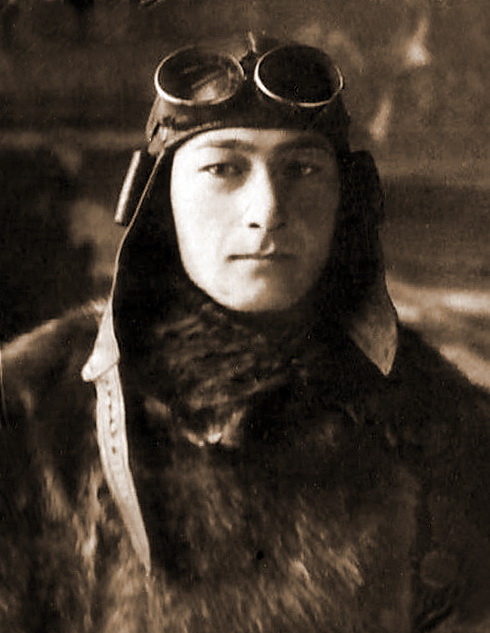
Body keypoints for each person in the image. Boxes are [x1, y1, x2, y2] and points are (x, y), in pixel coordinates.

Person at [1, 34, 490, 633]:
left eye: (302, 169)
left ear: (348, 198)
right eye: (224, 168)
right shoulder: (29, 415)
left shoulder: (445, 427)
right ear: (158, 197)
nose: (268, 209)